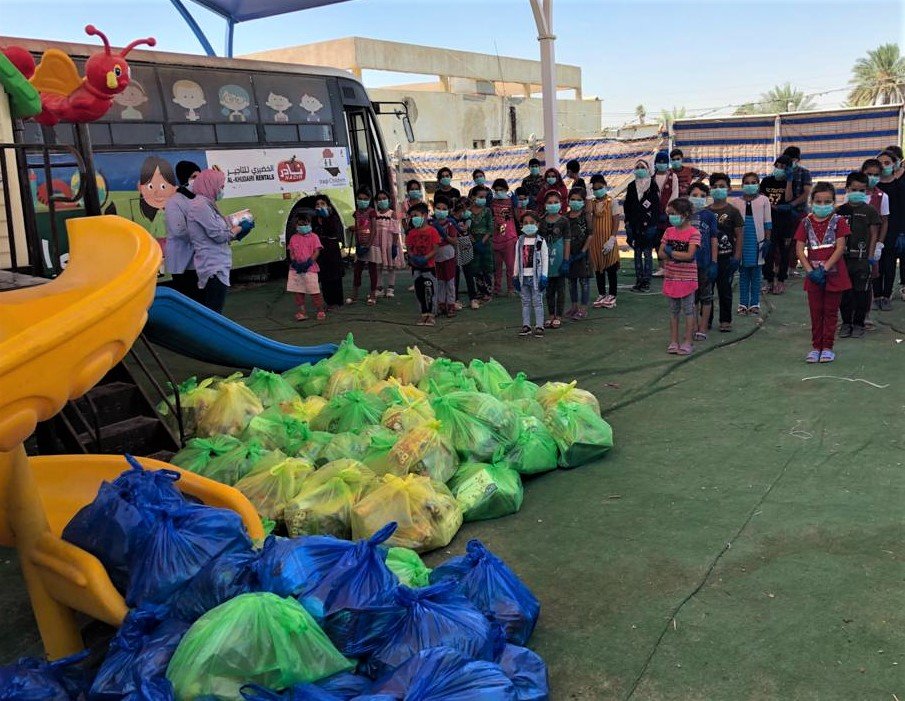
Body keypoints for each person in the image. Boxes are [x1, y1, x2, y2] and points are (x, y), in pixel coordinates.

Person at [795, 182, 851, 363]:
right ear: (812, 201)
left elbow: (840, 247)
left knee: (830, 312)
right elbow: (799, 249)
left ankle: (827, 347)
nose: (822, 204)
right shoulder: (805, 222)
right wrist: (810, 271)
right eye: (818, 201)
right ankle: (815, 347)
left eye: (827, 201)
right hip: (814, 277)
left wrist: (824, 269)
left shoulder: (839, 221)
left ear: (834, 202)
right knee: (816, 312)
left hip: (833, 274)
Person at [185, 168, 254, 314]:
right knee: (214, 311)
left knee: (214, 308)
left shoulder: (207, 204)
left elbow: (219, 226)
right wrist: (240, 228)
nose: (222, 190)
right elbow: (219, 235)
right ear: (210, 184)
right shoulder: (201, 206)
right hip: (212, 267)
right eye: (221, 186)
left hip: (217, 264)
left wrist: (237, 221)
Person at [836, 171, 881, 338]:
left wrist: (871, 256)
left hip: (862, 260)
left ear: (867, 192)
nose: (858, 193)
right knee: (845, 292)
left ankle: (859, 323)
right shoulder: (839, 211)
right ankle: (846, 323)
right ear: (847, 189)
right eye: (854, 189)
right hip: (843, 259)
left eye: (862, 191)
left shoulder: (870, 211)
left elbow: (874, 234)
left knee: (861, 292)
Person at [659, 198, 700, 355]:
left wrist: (671, 252)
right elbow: (661, 253)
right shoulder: (669, 231)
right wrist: (675, 255)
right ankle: (674, 341)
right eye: (669, 214)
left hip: (687, 279)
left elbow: (689, 255)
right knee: (673, 311)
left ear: (686, 214)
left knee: (689, 311)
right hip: (671, 277)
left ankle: (688, 341)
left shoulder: (694, 233)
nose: (671, 217)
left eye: (674, 214)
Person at [707, 173, 743, 332]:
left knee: (725, 290)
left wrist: (737, 257)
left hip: (726, 258)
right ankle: (706, 320)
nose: (718, 189)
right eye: (715, 187)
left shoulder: (733, 212)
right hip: (709, 259)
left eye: (722, 186)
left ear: (729, 189)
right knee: (707, 291)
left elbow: (739, 236)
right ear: (710, 190)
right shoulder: (705, 212)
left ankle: (725, 320)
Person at [733, 173, 772, 316]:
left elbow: (768, 222)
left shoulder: (764, 200)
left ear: (758, 184)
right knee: (743, 274)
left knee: (756, 275)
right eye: (747, 182)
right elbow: (734, 225)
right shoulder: (736, 202)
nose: (750, 185)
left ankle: (755, 304)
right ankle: (743, 304)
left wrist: (767, 240)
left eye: (753, 182)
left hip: (758, 241)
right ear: (742, 185)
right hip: (742, 241)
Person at [164, 159, 202, 301]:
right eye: (194, 177)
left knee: (201, 300)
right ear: (184, 179)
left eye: (200, 177)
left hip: (199, 261)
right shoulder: (174, 202)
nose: (197, 181)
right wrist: (206, 233)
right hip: (183, 262)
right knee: (190, 298)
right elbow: (179, 231)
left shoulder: (200, 199)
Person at [759, 155, 795, 294]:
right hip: (769, 221)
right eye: (777, 166)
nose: (779, 169)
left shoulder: (790, 182)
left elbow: (788, 198)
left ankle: (781, 280)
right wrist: (772, 207)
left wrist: (789, 181)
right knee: (768, 252)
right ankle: (768, 280)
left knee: (784, 252)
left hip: (785, 222)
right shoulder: (767, 181)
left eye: (783, 167)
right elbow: (761, 198)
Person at [874, 149, 905, 310]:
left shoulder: (900, 186)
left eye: (887, 163)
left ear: (894, 165)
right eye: (880, 163)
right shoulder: (874, 186)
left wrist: (901, 232)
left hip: (893, 230)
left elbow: (902, 210)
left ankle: (886, 296)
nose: (883, 166)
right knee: (875, 263)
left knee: (889, 264)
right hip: (874, 231)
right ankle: (876, 295)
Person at [624, 159, 660, 291]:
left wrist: (652, 224)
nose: (639, 169)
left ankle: (646, 281)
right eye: (637, 167)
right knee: (637, 254)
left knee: (647, 254)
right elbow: (627, 206)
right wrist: (628, 222)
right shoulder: (631, 186)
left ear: (648, 169)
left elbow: (656, 207)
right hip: (635, 225)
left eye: (642, 167)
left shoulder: (653, 186)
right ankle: (639, 280)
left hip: (649, 226)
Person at [688, 181, 718, 341]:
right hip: (688, 264)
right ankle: (692, 325)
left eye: (702, 196)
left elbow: (714, 239)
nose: (698, 198)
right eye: (694, 195)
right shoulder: (684, 215)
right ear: (688, 197)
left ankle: (703, 327)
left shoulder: (710, 216)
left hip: (705, 263)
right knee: (691, 298)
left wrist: (714, 262)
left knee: (706, 296)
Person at [587, 174, 622, 309]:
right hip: (595, 242)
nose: (598, 190)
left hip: (608, 240)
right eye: (595, 189)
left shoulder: (611, 201)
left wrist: (612, 238)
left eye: (600, 187)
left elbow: (616, 220)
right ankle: (601, 293)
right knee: (599, 268)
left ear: (605, 186)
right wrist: (589, 198)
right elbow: (589, 215)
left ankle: (612, 294)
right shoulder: (592, 204)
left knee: (611, 268)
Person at [512, 211, 548, 337]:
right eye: (525, 223)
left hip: (536, 277)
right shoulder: (520, 241)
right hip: (523, 277)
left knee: (537, 302)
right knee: (525, 302)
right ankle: (526, 325)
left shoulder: (540, 241)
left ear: (537, 224)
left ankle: (539, 326)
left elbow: (545, 259)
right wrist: (515, 275)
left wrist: (544, 276)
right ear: (521, 225)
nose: (529, 225)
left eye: (532, 223)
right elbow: (517, 258)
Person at [538, 191, 570, 328]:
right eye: (549, 203)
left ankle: (559, 316)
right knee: (549, 289)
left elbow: (567, 241)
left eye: (555, 202)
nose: (553, 205)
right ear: (545, 205)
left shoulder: (564, 221)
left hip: (559, 257)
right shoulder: (541, 221)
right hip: (546, 259)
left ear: (561, 204)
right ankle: (551, 314)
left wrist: (566, 260)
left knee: (560, 288)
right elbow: (538, 242)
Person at [405, 202, 441, 326]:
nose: (414, 218)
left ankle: (431, 315)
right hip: (416, 267)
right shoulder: (411, 233)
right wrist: (413, 257)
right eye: (412, 216)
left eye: (416, 215)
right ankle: (423, 314)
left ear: (425, 215)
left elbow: (436, 249)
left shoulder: (432, 231)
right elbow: (409, 249)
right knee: (419, 291)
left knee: (430, 291)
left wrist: (425, 258)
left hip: (429, 267)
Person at [286, 213, 325, 322]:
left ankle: (320, 310)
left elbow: (316, 251)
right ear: (296, 226)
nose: (303, 226)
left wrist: (309, 262)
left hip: (310, 268)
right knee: (298, 291)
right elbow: (291, 252)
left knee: (314, 291)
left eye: (305, 224)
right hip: (296, 269)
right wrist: (294, 262)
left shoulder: (314, 237)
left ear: (310, 224)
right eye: (300, 224)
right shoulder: (293, 238)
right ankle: (302, 312)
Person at [782, 146, 813, 277]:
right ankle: (779, 267)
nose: (791, 162)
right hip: (783, 212)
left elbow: (806, 193)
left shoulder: (804, 173)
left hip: (799, 211)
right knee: (782, 240)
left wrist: (792, 204)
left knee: (798, 240)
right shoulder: (781, 172)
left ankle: (792, 267)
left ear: (797, 160)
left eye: (794, 159)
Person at [311, 194, 345, 308]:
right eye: (317, 205)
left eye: (322, 204)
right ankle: (329, 302)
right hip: (321, 252)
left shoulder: (333, 218)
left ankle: (338, 301)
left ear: (328, 206)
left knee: (335, 276)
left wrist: (326, 218)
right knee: (324, 277)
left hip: (332, 250)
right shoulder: (314, 220)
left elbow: (334, 232)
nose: (320, 207)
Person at [348, 187, 379, 306]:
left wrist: (368, 245)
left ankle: (372, 295)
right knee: (357, 271)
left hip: (371, 245)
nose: (362, 201)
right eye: (360, 199)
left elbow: (374, 229)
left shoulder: (372, 212)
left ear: (370, 199)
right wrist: (358, 244)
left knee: (372, 270)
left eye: (365, 199)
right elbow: (358, 228)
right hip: (360, 245)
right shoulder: (356, 213)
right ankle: (354, 295)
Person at [372, 189, 405, 298]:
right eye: (379, 199)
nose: (382, 201)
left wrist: (394, 246)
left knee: (391, 266)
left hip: (390, 243)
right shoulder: (375, 215)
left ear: (389, 200)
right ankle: (379, 288)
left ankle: (391, 288)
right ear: (376, 202)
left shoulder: (393, 214)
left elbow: (396, 231)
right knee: (379, 266)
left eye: (384, 198)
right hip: (378, 244)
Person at [565, 187, 592, 320]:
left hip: (583, 254)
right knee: (571, 281)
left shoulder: (586, 216)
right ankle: (574, 306)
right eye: (573, 199)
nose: (575, 202)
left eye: (579, 200)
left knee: (584, 281)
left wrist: (583, 251)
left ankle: (583, 308)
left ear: (583, 201)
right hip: (569, 254)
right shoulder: (565, 217)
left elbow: (590, 235)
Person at [652, 149, 679, 276]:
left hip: (668, 215)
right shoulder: (652, 178)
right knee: (657, 241)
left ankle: (671, 266)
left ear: (667, 163)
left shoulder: (672, 177)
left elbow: (675, 194)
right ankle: (661, 266)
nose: (661, 164)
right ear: (655, 163)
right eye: (659, 162)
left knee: (669, 240)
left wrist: (668, 211)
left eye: (664, 162)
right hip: (655, 215)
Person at [489, 178, 518, 295]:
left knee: (510, 266)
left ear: (506, 189)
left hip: (509, 237)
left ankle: (511, 288)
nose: (498, 192)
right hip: (496, 238)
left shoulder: (511, 202)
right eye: (496, 190)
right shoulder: (492, 202)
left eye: (501, 189)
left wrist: (516, 205)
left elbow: (517, 217)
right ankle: (497, 288)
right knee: (497, 266)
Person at [431, 197, 458, 317]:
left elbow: (455, 241)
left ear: (448, 210)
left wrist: (444, 235)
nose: (441, 211)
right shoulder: (431, 224)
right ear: (434, 209)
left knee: (450, 281)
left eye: (444, 209)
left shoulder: (450, 224)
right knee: (440, 281)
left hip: (448, 256)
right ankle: (441, 304)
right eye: (438, 208)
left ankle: (451, 304)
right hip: (436, 256)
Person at [468, 188, 495, 302]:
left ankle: (488, 292)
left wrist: (482, 242)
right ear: (473, 197)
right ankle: (480, 291)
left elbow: (490, 228)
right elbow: (466, 229)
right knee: (475, 267)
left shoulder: (487, 211)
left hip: (485, 242)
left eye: (484, 197)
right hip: (472, 243)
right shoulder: (467, 212)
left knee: (486, 267)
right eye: (480, 197)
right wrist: (473, 241)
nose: (483, 199)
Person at [452, 197, 478, 309]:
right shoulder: (451, 220)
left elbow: (468, 230)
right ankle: (455, 299)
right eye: (466, 208)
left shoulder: (467, 218)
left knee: (469, 272)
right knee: (455, 274)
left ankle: (473, 298)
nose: (468, 211)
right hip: (454, 247)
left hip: (466, 247)